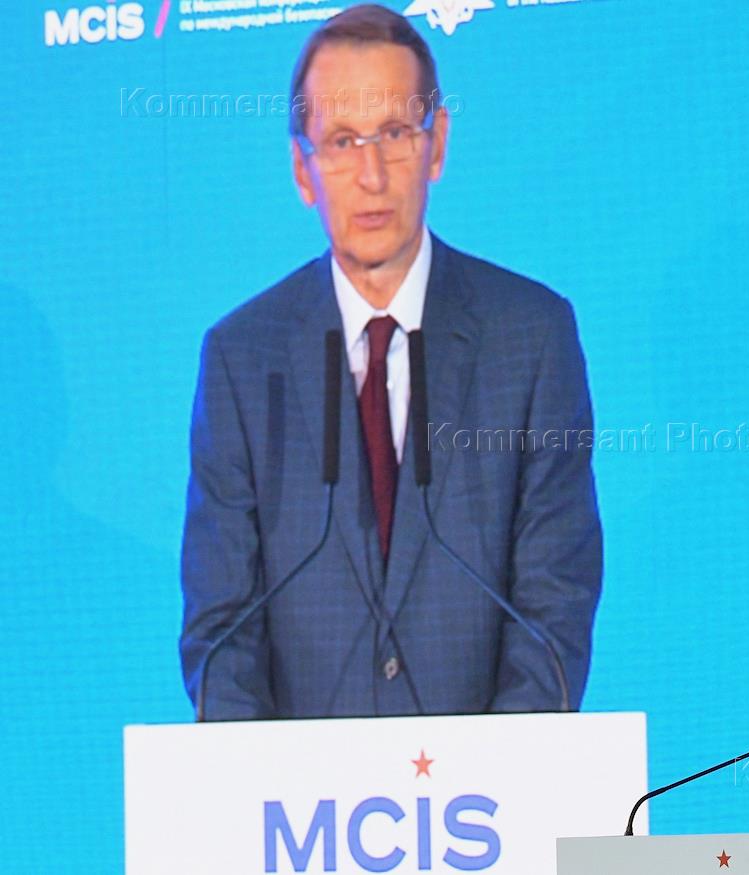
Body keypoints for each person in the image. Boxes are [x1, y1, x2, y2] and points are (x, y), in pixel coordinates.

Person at [179, 4, 602, 720]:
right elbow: (222, 633)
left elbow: (554, 605)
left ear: (437, 144)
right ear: (303, 169)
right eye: (342, 141)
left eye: (396, 134)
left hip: (489, 787)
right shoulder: (242, 359)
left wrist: (492, 774)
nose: (371, 175)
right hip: (297, 792)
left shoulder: (530, 337)